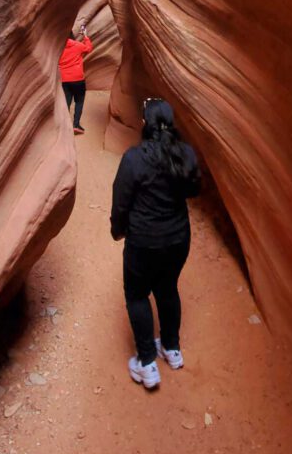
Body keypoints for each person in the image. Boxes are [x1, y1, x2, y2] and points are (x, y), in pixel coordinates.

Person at [110, 98, 201, 389]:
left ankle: (147, 363)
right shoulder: (185, 154)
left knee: (137, 294)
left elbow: (121, 200)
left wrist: (118, 230)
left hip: (144, 242)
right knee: (167, 288)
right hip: (177, 239)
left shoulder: (134, 159)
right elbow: (194, 189)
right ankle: (172, 350)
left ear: (144, 124)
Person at [59, 20, 93, 135]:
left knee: (67, 102)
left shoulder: (59, 48)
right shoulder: (77, 46)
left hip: (65, 80)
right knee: (79, 101)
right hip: (78, 79)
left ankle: (64, 125)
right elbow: (88, 48)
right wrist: (85, 36)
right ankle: (76, 125)